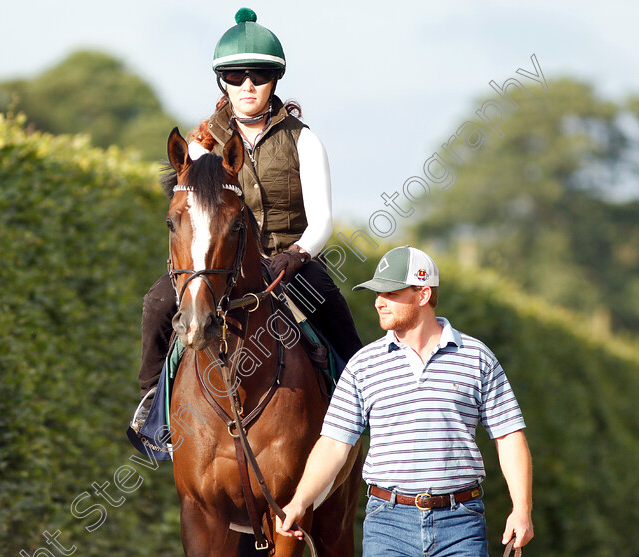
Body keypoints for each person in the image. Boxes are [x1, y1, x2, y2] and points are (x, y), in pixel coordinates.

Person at [133, 7, 362, 421]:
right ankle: (153, 403)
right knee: (156, 302)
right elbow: (188, 216)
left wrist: (298, 255)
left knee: (331, 307)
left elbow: (323, 220)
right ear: (224, 81)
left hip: (288, 263)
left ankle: (367, 397)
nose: (248, 85)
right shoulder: (201, 147)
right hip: (220, 262)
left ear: (275, 79)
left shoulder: (304, 141)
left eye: (258, 75)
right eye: (236, 77)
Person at [276, 246, 533, 556]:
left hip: (461, 525)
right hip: (388, 526)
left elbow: (508, 436)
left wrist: (522, 510)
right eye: (376, 293)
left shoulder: (477, 357)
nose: (378, 302)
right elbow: (333, 444)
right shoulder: (363, 365)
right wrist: (300, 502)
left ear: (422, 294)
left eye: (390, 293)